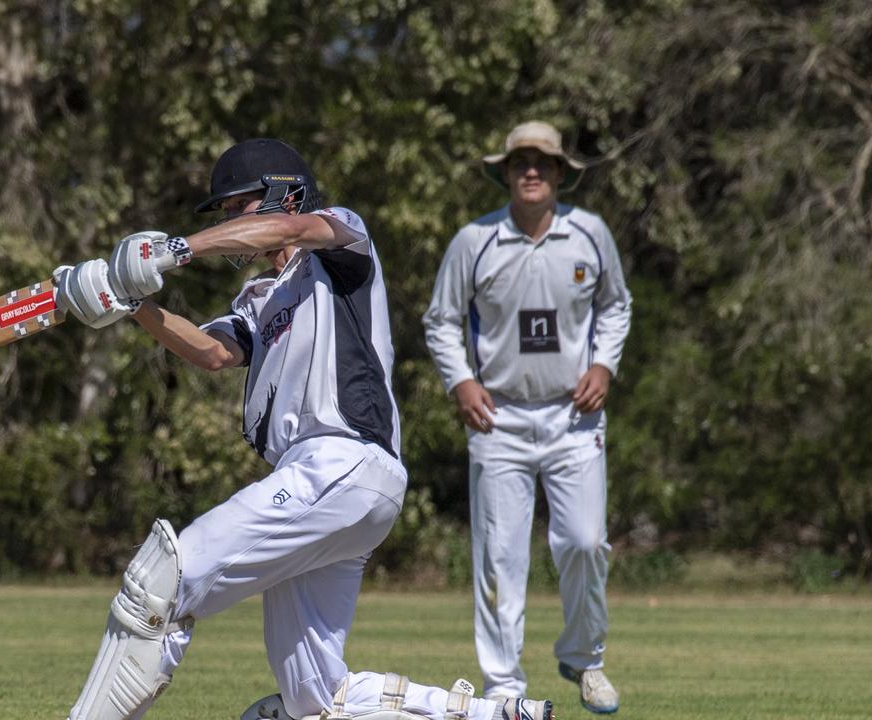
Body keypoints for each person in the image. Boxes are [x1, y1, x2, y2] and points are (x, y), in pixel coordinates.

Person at [54, 138, 555, 720]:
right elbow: (214, 353)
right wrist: (128, 303)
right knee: (315, 698)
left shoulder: (341, 239)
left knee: (159, 584)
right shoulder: (259, 297)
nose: (228, 221)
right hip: (323, 486)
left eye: (236, 206)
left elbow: (283, 232)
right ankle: (498, 715)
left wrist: (176, 250)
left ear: (280, 194)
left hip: (343, 461)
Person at [421, 121, 632, 714]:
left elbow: (616, 306)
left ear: (561, 172)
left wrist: (604, 367)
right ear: (506, 172)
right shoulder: (475, 240)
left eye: (542, 161)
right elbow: (441, 319)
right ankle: (503, 690)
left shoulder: (590, 234)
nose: (531, 171)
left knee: (586, 543)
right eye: (521, 162)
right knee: (499, 557)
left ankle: (585, 659)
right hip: (499, 420)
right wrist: (461, 381)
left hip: (574, 417)